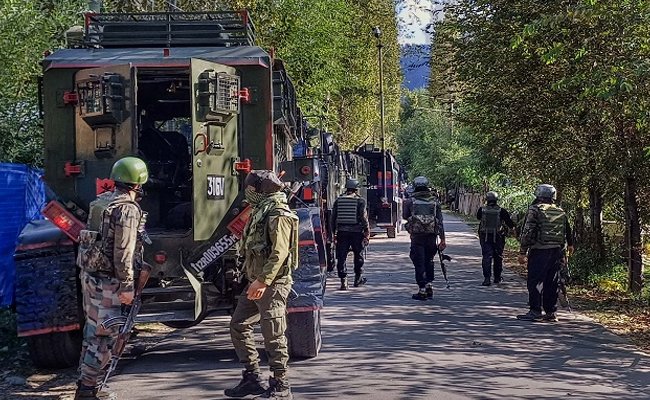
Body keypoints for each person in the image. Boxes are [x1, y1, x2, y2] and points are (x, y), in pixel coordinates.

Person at [75, 157, 149, 399]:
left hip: (91, 277)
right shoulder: (127, 209)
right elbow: (123, 251)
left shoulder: (101, 202)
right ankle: (88, 391)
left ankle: (86, 385)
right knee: (104, 336)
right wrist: (127, 286)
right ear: (138, 183)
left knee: (92, 333)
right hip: (108, 282)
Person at [225, 170, 299, 400]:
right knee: (239, 325)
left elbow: (279, 253)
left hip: (272, 284)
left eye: (250, 188)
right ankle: (252, 378)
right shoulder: (260, 210)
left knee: (273, 335)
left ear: (261, 190)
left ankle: (281, 385)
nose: (247, 192)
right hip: (256, 281)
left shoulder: (278, 214)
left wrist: (263, 281)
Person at [516, 184, 574, 322]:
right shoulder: (560, 211)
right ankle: (550, 312)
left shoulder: (535, 210)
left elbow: (528, 231)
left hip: (539, 251)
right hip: (557, 252)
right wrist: (570, 246)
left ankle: (535, 311)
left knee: (535, 281)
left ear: (539, 195)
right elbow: (567, 230)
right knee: (552, 282)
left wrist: (522, 252)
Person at [403, 176, 446, 301]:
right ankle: (429, 285)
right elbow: (440, 222)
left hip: (417, 237)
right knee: (429, 260)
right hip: (431, 236)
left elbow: (405, 216)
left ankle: (422, 290)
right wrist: (443, 239)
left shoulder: (410, 201)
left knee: (419, 261)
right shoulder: (435, 202)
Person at [331, 178, 370, 290]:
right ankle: (358, 279)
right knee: (358, 255)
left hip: (342, 232)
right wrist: (367, 231)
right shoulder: (360, 201)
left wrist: (333, 233)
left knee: (341, 256)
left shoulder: (338, 200)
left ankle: (343, 281)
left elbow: (333, 218)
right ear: (356, 189)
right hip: (357, 232)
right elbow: (363, 217)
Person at [476, 191, 515, 286]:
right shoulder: (502, 211)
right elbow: (510, 223)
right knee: (498, 257)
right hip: (498, 236)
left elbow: (478, 218)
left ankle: (487, 278)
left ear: (487, 199)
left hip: (485, 236)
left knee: (487, 256)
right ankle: (497, 278)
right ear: (497, 199)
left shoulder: (482, 210)